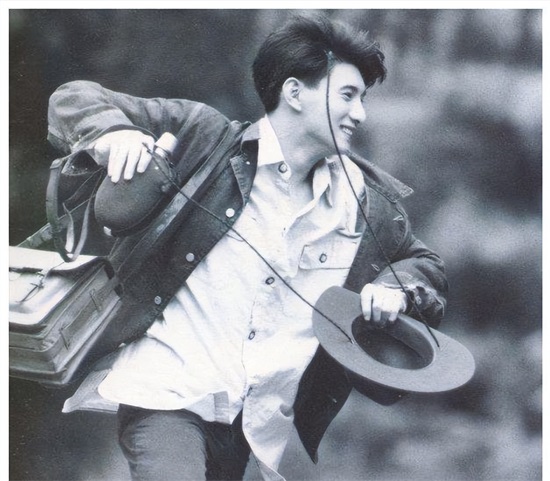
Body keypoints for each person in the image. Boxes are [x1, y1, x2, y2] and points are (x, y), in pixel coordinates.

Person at [47, 14, 447, 481]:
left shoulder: (365, 204)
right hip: (165, 394)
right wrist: (114, 134)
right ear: (294, 92)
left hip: (253, 425)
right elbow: (73, 97)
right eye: (347, 95)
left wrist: (396, 289)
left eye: (362, 99)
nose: (359, 113)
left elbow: (423, 263)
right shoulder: (205, 138)